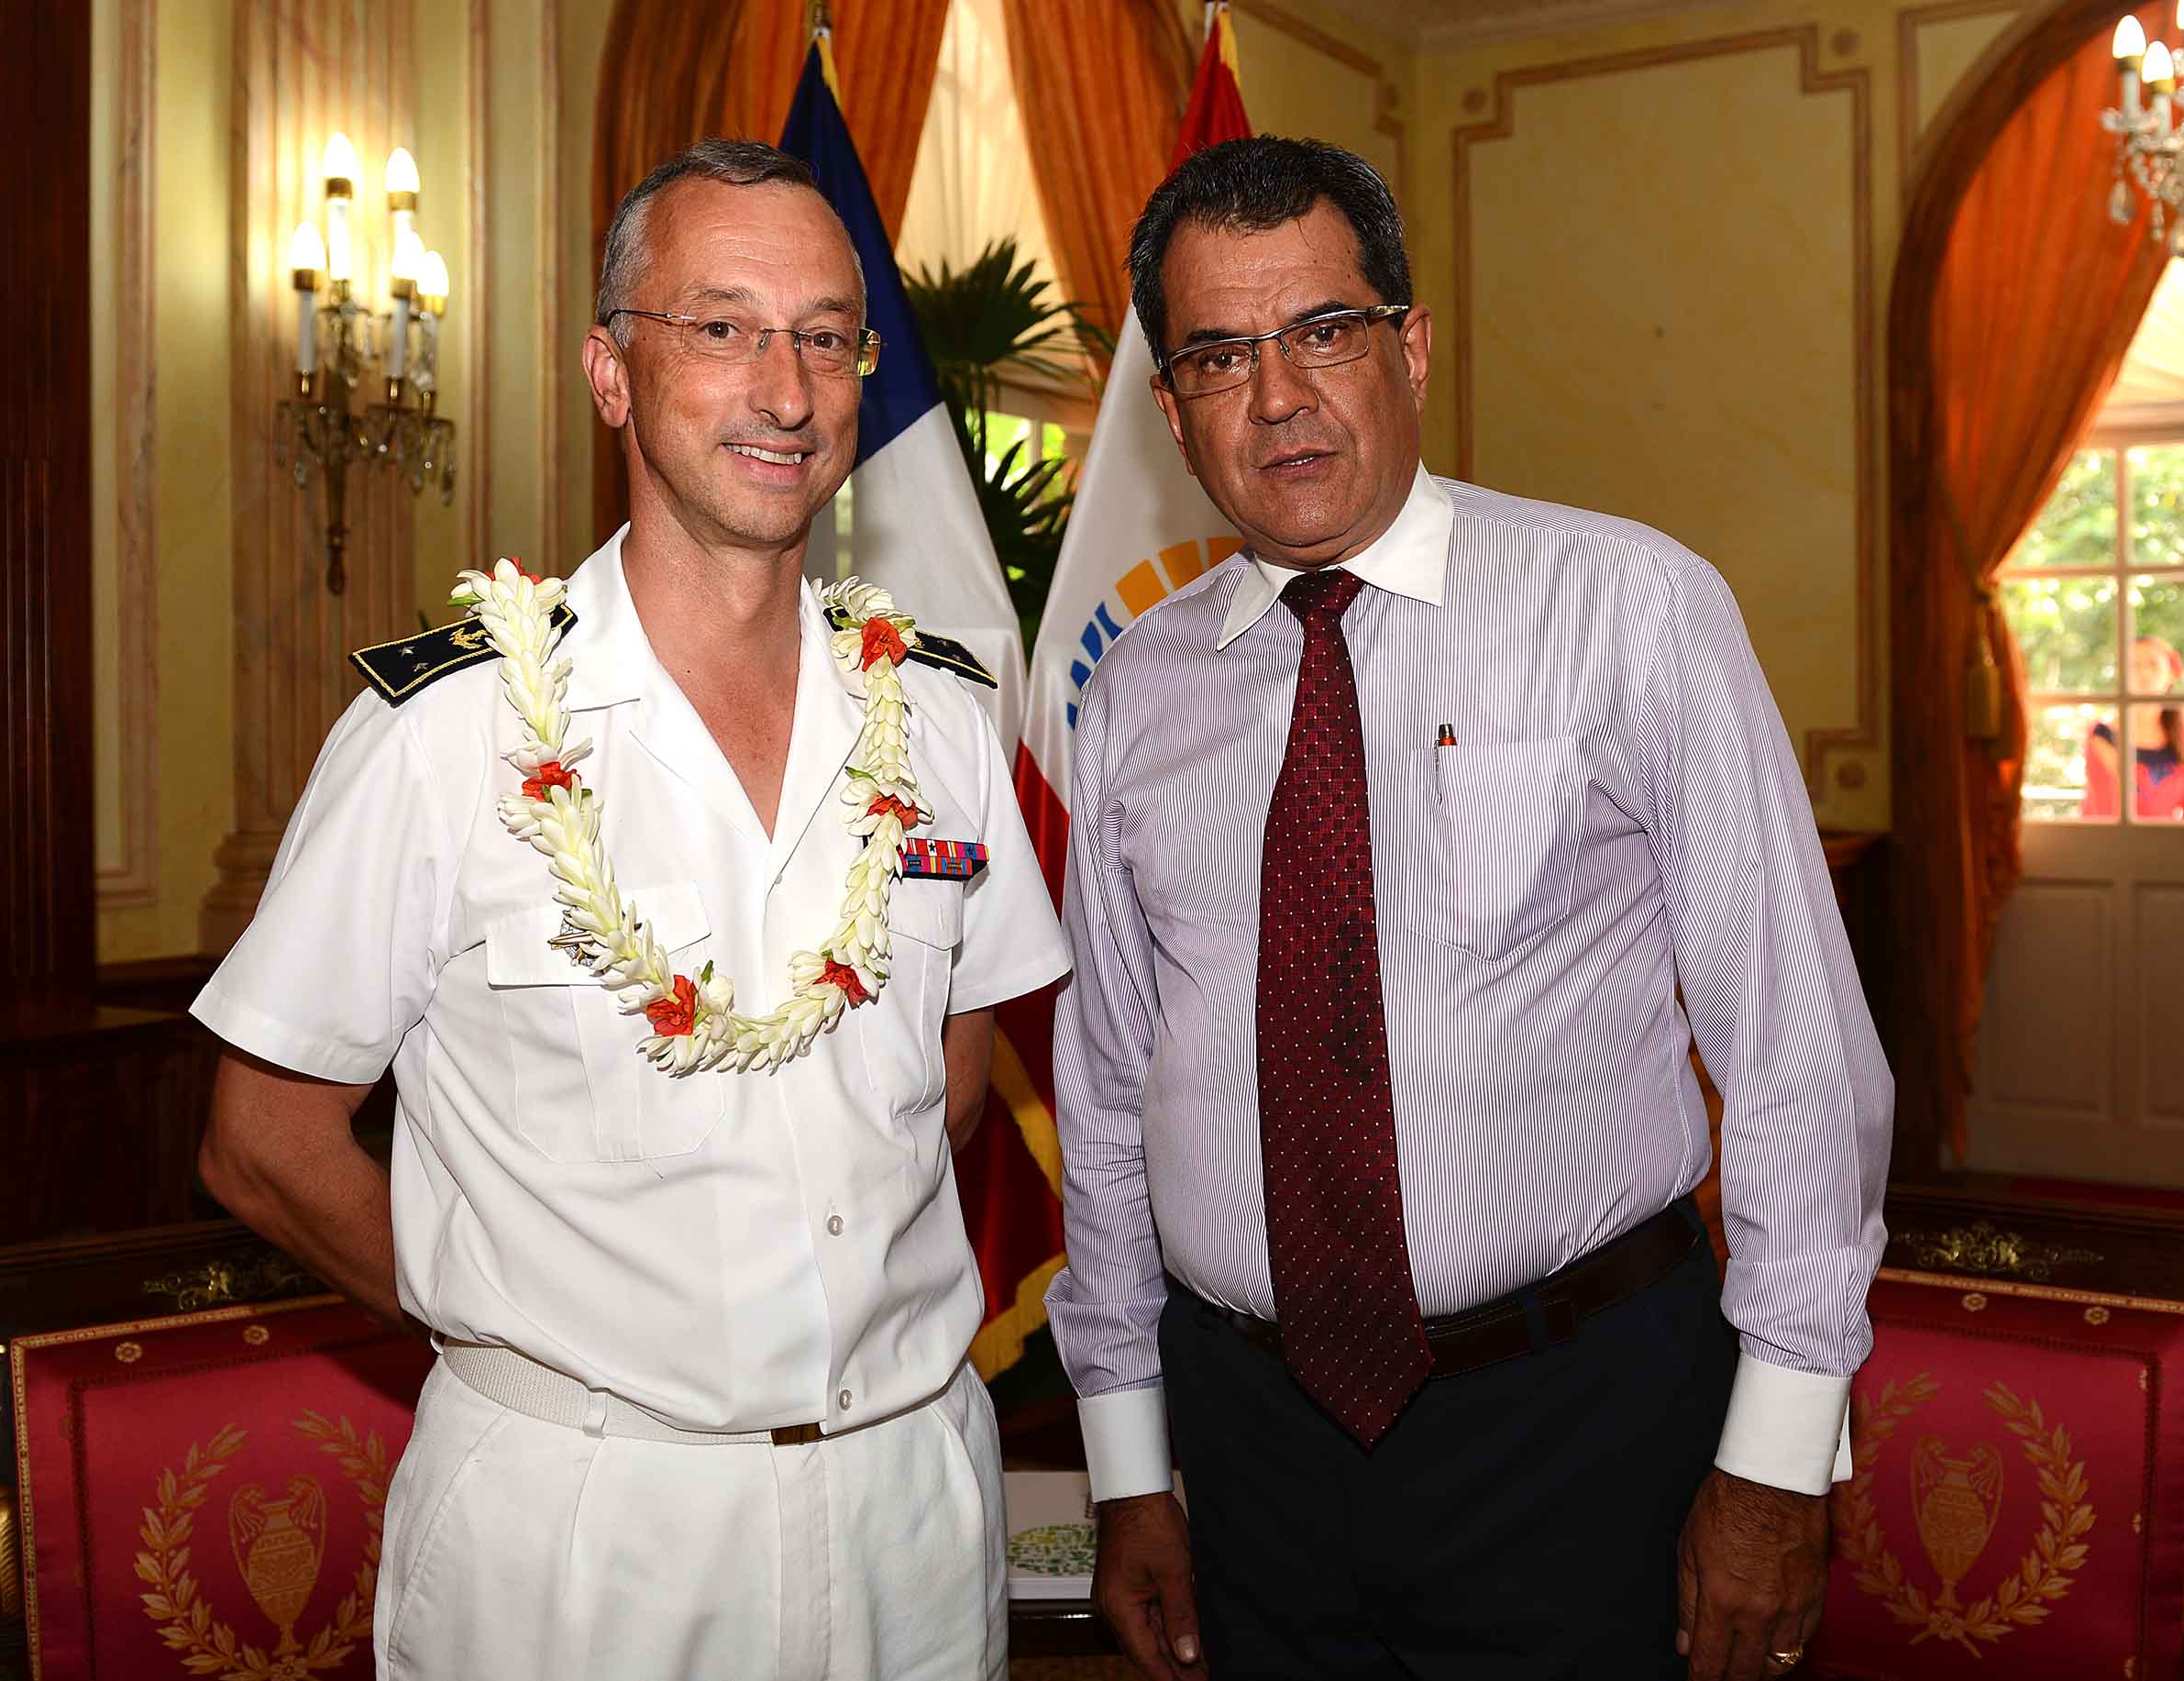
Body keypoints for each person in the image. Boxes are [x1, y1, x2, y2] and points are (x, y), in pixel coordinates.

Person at [191, 138, 1067, 1679]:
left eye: (821, 335)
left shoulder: (935, 716)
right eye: (721, 327)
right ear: (611, 373)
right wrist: (521, 1316)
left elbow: (962, 1070)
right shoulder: (444, 732)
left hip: (911, 1505)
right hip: (585, 1524)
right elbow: (263, 1142)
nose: (782, 389)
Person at [1045, 137, 1892, 1681]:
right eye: (1222, 355)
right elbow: (1106, 1093)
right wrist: (1125, 1464)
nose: (1281, 397)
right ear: (1170, 410)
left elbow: (1794, 1050)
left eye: (1325, 331)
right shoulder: (1139, 690)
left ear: (1412, 344)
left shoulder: (1628, 608)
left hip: (1578, 1418)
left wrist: (1774, 1458)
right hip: (1250, 1438)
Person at [2082, 635, 2184, 820]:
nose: (2144, 673)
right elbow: (2106, 812)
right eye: (2134, 666)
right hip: (2112, 843)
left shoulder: (2183, 734)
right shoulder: (2103, 735)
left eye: (2153, 665)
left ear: (2171, 675)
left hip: (2172, 844)